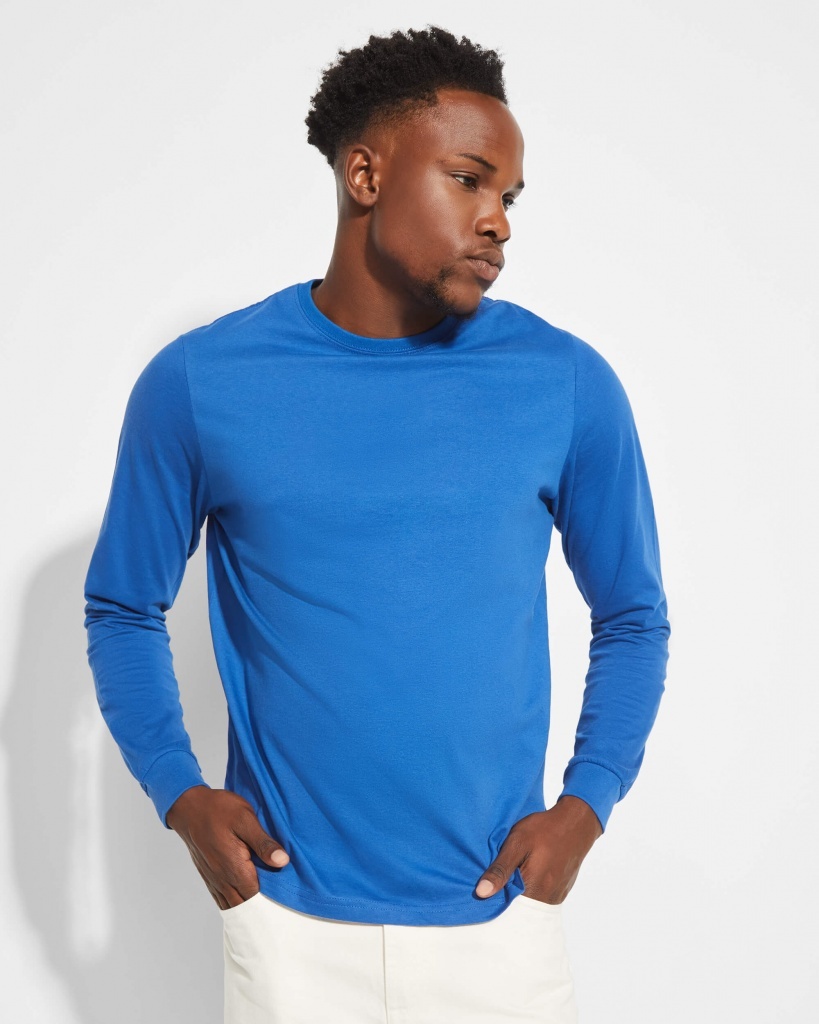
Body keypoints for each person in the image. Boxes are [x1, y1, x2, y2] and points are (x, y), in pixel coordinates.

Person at [83, 24, 670, 1024]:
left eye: (510, 196)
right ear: (365, 174)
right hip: (289, 925)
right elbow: (121, 607)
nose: (498, 222)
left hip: (499, 919)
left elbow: (633, 616)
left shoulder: (564, 384)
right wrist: (180, 795)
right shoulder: (202, 383)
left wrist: (587, 805)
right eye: (469, 180)